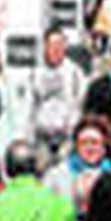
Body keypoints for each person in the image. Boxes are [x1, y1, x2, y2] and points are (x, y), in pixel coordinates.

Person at [32, 26, 88, 165]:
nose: (55, 49)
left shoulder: (75, 72)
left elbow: (80, 103)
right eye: (51, 45)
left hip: (66, 138)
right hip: (42, 138)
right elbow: (31, 106)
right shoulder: (36, 73)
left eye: (59, 45)